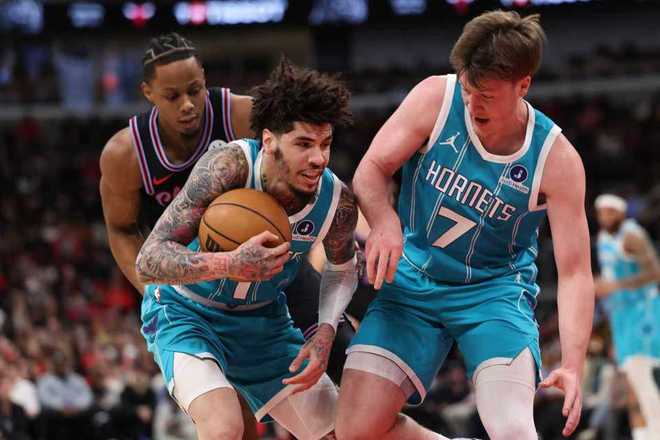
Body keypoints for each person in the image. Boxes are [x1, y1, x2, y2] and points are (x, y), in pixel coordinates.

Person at [337, 10, 594, 440]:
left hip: (493, 292)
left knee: (513, 431)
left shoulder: (557, 159)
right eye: (469, 90)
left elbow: (575, 272)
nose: (473, 105)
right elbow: (372, 169)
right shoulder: (435, 98)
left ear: (523, 85)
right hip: (413, 280)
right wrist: (382, 221)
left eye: (487, 95)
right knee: (354, 430)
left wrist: (572, 363)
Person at [99, 32, 357, 388]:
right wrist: (156, 290)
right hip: (195, 267)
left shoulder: (241, 114)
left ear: (205, 78)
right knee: (230, 394)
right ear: (148, 93)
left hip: (271, 255)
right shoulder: (125, 153)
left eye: (195, 90)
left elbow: (296, 161)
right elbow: (123, 230)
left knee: (343, 357)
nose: (188, 104)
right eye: (173, 96)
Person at [594, 193, 660, 440]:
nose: (605, 217)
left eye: (611, 212)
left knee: (641, 371)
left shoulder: (632, 235)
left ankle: (655, 432)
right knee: (631, 378)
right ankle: (641, 432)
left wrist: (616, 286)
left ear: (621, 213)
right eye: (602, 212)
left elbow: (655, 273)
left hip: (643, 311)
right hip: (620, 315)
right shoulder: (602, 238)